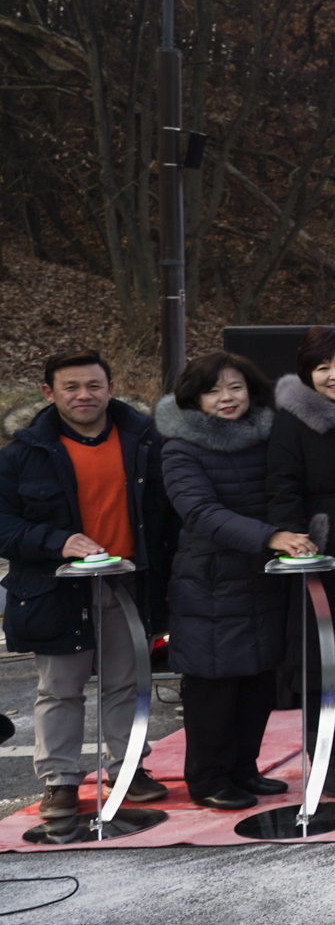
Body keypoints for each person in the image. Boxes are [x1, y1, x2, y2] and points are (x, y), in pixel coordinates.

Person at [0, 352, 176, 821]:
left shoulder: (146, 442)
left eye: (94, 386)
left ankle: (128, 769)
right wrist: (57, 542)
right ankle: (59, 781)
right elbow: (4, 525)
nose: (84, 395)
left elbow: (168, 515)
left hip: (129, 584)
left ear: (110, 388)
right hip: (56, 589)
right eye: (71, 387)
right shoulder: (20, 455)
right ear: (48, 393)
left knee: (127, 685)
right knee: (59, 689)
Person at [158, 352, 317, 810]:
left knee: (258, 681)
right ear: (195, 398)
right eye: (213, 391)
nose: (227, 398)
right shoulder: (181, 448)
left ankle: (245, 768)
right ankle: (208, 778)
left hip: (262, 578)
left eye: (235, 387)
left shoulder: (268, 436)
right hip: (210, 582)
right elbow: (200, 512)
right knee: (214, 687)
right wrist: (271, 536)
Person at [265, 325, 335, 796]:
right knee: (322, 659)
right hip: (322, 551)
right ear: (306, 373)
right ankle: (326, 759)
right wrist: (294, 538)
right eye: (323, 367)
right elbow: (281, 486)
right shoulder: (292, 420)